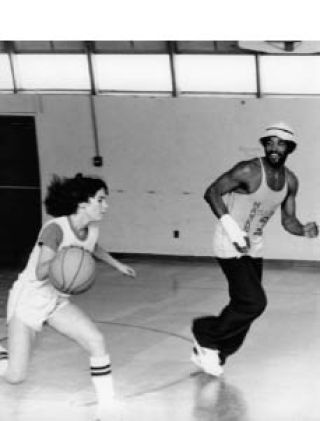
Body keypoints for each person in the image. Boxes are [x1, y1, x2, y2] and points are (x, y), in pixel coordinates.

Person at [0, 173, 136, 420]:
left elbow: (92, 246)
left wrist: (116, 264)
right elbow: (41, 272)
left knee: (96, 340)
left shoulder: (91, 228)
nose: (106, 206)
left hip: (56, 300)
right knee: (15, 376)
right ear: (83, 204)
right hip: (30, 299)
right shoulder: (55, 229)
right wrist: (62, 261)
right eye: (101, 200)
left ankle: (107, 406)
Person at [191, 122, 318, 377]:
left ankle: (217, 353)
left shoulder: (290, 181)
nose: (274, 147)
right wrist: (234, 231)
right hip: (229, 242)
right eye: (269, 142)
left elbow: (288, 221)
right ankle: (204, 333)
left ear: (289, 148)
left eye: (280, 143)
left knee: (246, 308)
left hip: (254, 247)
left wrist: (303, 229)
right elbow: (212, 192)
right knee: (253, 302)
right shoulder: (248, 170)